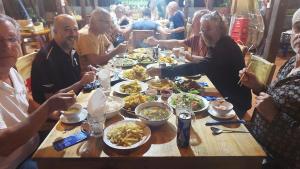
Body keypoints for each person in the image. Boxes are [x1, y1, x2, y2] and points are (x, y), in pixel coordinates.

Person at [0, 14, 76, 169]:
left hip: (34, 142)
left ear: (19, 41)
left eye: (12, 39)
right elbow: (4, 145)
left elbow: (26, 101)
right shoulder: (46, 57)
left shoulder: (12, 72)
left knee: (82, 143)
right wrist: (48, 106)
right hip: (16, 162)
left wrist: (54, 115)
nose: (6, 47)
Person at [147, 11, 252, 118]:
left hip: (234, 103)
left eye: (209, 29)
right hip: (221, 93)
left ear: (221, 28)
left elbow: (200, 67)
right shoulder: (217, 43)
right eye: (203, 29)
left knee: (193, 118)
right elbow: (205, 63)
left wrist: (162, 71)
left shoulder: (225, 46)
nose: (204, 33)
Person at [239, 8, 300, 169]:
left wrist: (275, 116)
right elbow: (275, 98)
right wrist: (258, 86)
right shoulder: (291, 63)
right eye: (298, 27)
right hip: (255, 141)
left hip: (277, 160)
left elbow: (274, 109)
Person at [31, 14, 95, 105]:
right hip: (56, 113)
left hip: (76, 101)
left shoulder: (72, 51)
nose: (73, 34)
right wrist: (81, 83)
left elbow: (72, 78)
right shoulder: (45, 59)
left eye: (75, 29)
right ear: (55, 32)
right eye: (67, 29)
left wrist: (87, 73)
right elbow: (50, 99)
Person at [145, 9, 210, 62]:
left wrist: (184, 54)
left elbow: (207, 62)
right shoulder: (196, 37)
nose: (192, 26)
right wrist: (157, 41)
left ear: (203, 25)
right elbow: (177, 42)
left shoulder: (212, 41)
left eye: (194, 23)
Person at [76, 8, 128, 73]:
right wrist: (116, 51)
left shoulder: (99, 32)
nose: (110, 26)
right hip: (88, 76)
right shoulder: (86, 35)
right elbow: (96, 63)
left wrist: (108, 51)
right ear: (95, 22)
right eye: (107, 22)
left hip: (100, 71)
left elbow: (110, 44)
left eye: (110, 22)